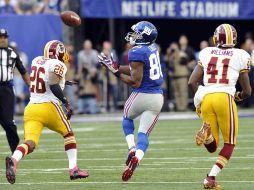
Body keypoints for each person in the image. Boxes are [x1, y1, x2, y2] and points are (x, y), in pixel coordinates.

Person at [5, 40, 89, 184]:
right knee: (68, 134)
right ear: (58, 53)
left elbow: (43, 79)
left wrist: (64, 82)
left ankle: (14, 160)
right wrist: (66, 102)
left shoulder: (37, 60)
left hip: (31, 108)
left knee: (29, 143)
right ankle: (73, 168)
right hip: (49, 106)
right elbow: (53, 83)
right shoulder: (58, 64)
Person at [188, 24, 252, 189]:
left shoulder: (206, 52)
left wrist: (200, 100)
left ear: (216, 38)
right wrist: (238, 96)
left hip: (207, 97)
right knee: (229, 143)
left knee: (213, 146)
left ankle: (207, 135)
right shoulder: (241, 55)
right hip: (224, 98)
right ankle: (210, 178)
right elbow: (247, 91)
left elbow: (192, 81)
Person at [98, 21, 163, 181]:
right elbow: (137, 68)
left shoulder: (136, 52)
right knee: (143, 134)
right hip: (157, 98)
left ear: (144, 36)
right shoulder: (153, 48)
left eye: (138, 34)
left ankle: (131, 148)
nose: (134, 36)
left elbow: (135, 81)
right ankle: (138, 157)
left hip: (141, 94)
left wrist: (115, 72)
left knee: (127, 118)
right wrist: (117, 66)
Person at [0, 29, 30, 153]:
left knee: (8, 122)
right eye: (0, 37)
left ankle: (16, 151)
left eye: (4, 37)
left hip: (6, 89)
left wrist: (31, 86)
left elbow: (23, 71)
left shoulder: (12, 54)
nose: (2, 39)